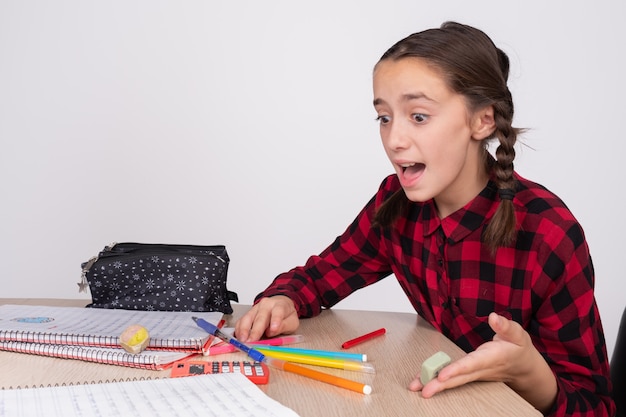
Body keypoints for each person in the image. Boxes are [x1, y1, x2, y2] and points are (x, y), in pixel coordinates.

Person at [234, 21, 615, 416]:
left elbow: (596, 406)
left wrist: (530, 375)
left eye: (418, 116)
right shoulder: (396, 204)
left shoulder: (548, 233)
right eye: (384, 117)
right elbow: (322, 276)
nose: (394, 139)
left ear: (482, 120)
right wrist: (284, 298)